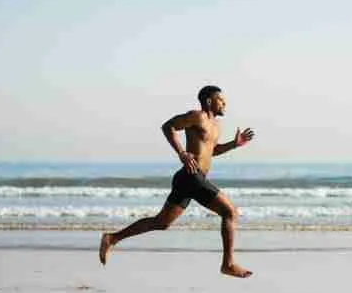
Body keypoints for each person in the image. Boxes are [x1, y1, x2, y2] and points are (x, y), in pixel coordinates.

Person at [99, 85, 255, 278]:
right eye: (221, 100)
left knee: (161, 223)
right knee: (229, 212)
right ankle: (228, 264)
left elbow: (212, 150)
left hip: (189, 179)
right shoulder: (197, 116)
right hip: (192, 176)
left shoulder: (216, 126)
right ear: (209, 101)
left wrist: (234, 144)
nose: (225, 103)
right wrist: (182, 153)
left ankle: (112, 238)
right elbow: (168, 126)